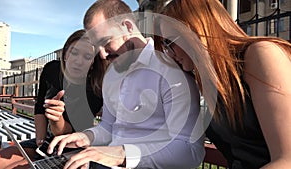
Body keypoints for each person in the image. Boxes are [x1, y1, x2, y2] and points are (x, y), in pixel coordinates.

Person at [47, 0, 205, 169]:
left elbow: (189, 151)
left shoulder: (170, 71)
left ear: (128, 27)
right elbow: (108, 127)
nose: (102, 55)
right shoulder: (112, 74)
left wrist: (121, 155)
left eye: (106, 42)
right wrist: (86, 138)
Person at [154, 0, 291, 168]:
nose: (169, 54)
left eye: (169, 42)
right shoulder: (212, 82)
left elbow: (287, 160)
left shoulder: (260, 55)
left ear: (196, 29)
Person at [0, 29, 108, 169]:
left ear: (92, 64)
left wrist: (56, 118)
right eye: (74, 52)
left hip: (72, 146)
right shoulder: (51, 69)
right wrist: (40, 142)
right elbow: (40, 107)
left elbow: (67, 133)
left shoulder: (94, 90)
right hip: (46, 140)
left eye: (87, 56)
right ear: (65, 54)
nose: (78, 60)